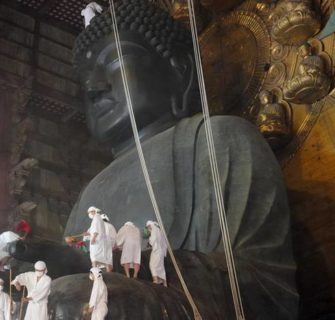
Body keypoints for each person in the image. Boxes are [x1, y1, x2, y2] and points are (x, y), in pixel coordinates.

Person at [66, 1, 299, 318]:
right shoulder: (88, 196)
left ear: (180, 69)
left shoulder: (219, 140)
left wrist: (138, 289)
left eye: (115, 60)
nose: (94, 87)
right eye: (86, 79)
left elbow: (267, 287)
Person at [146, 221, 167, 287]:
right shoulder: (159, 230)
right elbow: (164, 242)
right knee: (160, 267)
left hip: (156, 251)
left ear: (149, 226)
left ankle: (155, 280)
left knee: (152, 265)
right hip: (161, 251)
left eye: (148, 227)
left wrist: (149, 241)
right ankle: (164, 283)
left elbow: (153, 239)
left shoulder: (154, 230)